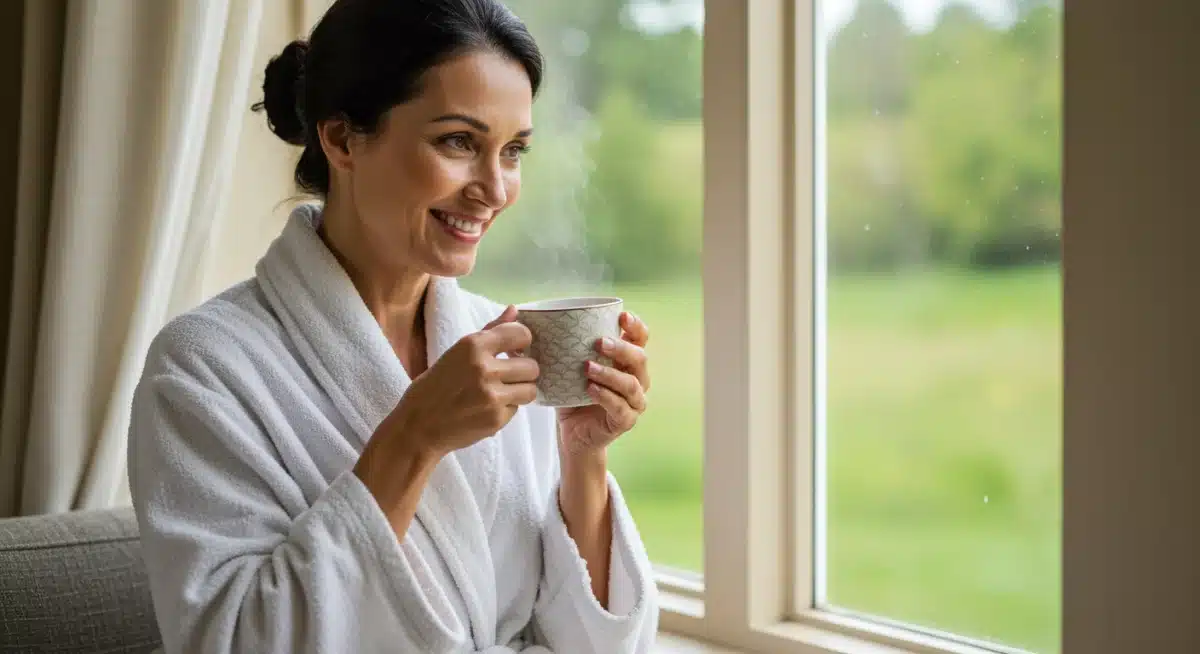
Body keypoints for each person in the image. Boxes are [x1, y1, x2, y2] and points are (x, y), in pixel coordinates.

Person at [126, 0, 659, 652]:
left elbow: (595, 643)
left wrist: (583, 456)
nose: (494, 188)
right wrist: (413, 436)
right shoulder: (203, 366)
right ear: (343, 138)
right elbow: (235, 642)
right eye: (458, 142)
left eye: (513, 150)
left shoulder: (499, 340)